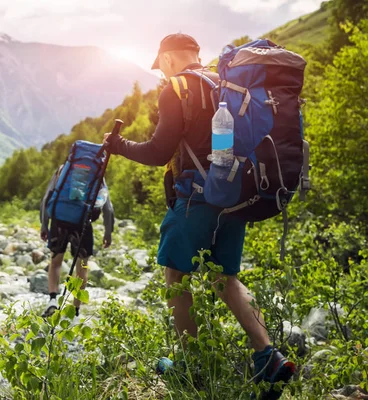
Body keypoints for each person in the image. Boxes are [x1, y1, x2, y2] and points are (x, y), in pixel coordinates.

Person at [104, 33, 295, 396]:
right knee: (227, 277)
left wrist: (119, 146)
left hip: (196, 197)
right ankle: (267, 356)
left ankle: (191, 366)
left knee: (175, 273)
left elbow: (159, 151)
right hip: (235, 197)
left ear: (169, 58)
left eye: (160, 63)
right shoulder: (223, 84)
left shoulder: (177, 88)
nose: (160, 71)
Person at [39, 165, 114, 318]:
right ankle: (75, 310)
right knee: (83, 267)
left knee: (56, 262)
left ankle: (52, 301)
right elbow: (108, 207)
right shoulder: (97, 173)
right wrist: (108, 231)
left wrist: (44, 224)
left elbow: (47, 198)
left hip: (59, 221)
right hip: (83, 224)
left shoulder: (63, 169)